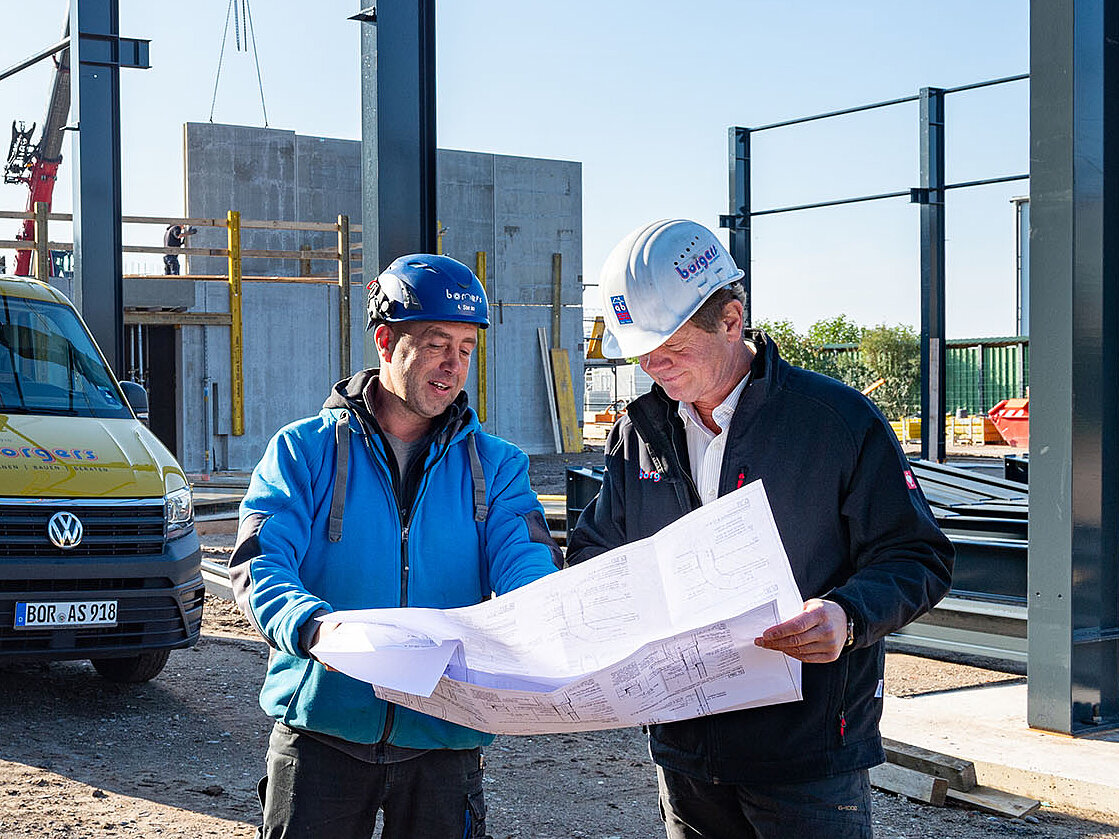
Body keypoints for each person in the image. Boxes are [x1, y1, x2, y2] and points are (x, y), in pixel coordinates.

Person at [567, 219, 954, 839]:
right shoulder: (640, 433)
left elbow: (917, 556)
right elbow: (597, 545)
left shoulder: (835, 423)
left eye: (671, 347)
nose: (652, 366)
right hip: (685, 749)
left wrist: (847, 617)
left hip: (806, 758)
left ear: (731, 320)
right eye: (640, 351)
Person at [231, 253, 562, 839]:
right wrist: (312, 627)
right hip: (322, 725)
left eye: (465, 348)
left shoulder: (499, 466)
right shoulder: (302, 451)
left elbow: (525, 557)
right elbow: (261, 561)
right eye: (437, 344)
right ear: (386, 341)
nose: (452, 366)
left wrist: (537, 614)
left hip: (445, 730)